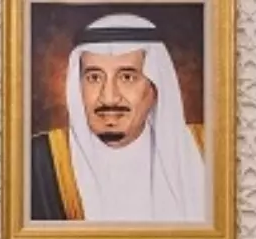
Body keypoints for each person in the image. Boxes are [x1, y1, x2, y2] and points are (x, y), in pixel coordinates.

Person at [30, 13, 205, 223]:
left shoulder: (206, 152)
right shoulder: (37, 162)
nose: (109, 97)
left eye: (127, 77)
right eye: (94, 77)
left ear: (155, 87)